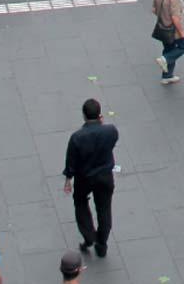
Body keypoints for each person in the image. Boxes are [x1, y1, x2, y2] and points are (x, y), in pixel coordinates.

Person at [63, 99, 119, 258]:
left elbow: (71, 160)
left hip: (85, 177)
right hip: (105, 176)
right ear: (100, 114)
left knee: (80, 202)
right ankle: (102, 243)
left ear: (84, 115)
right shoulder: (111, 131)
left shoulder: (77, 137)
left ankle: (89, 235)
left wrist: (68, 179)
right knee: (104, 209)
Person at [152, 0, 184, 84]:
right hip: (172, 30)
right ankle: (165, 59)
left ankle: (167, 76)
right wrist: (182, 32)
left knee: (169, 49)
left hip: (161, 28)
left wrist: (163, 15)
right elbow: (175, 18)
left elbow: (154, 9)